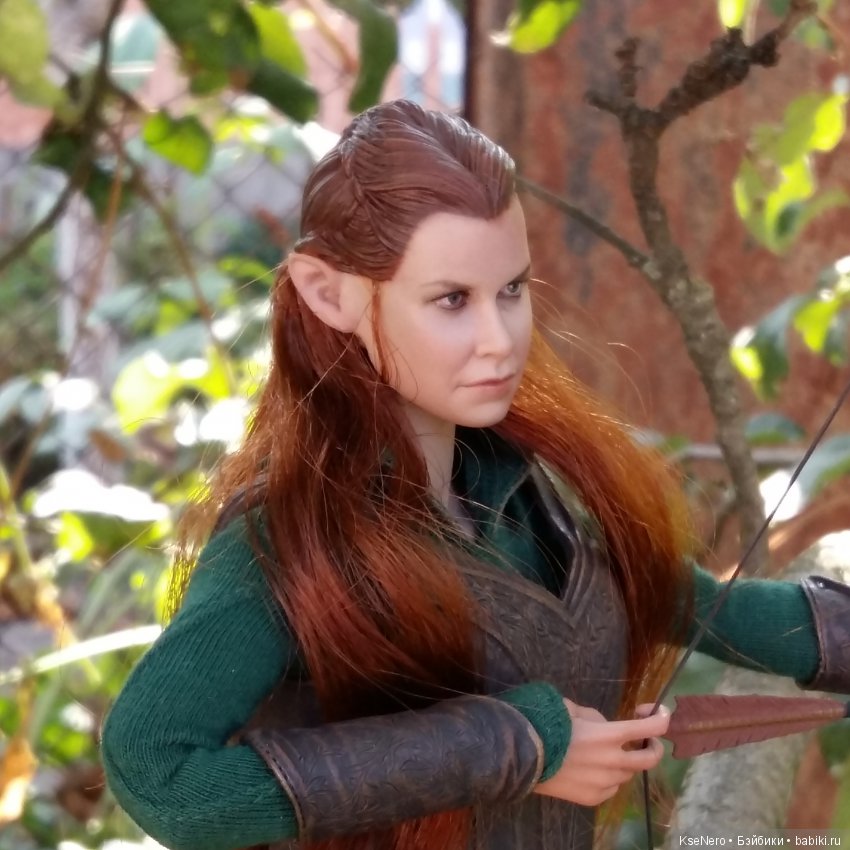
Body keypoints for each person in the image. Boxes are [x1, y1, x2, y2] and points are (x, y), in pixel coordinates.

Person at [101, 99, 850, 850]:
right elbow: (160, 778)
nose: (500, 340)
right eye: (452, 300)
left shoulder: (525, 497)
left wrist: (834, 634)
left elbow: (684, 602)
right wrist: (512, 745)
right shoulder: (290, 540)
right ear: (329, 294)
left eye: (512, 290)